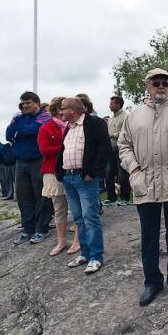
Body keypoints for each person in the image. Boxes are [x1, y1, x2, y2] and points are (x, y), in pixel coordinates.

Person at [118, 68, 168, 306]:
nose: (161, 86)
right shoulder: (133, 116)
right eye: (156, 82)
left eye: (165, 82)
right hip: (145, 184)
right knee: (149, 236)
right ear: (147, 85)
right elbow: (124, 146)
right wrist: (134, 170)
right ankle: (152, 281)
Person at [55, 97, 111, 274]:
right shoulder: (68, 127)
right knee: (78, 218)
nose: (60, 112)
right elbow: (64, 150)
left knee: (90, 217)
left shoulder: (94, 122)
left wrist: (91, 172)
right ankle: (85, 253)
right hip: (69, 178)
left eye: (62, 109)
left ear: (72, 109)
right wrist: (60, 173)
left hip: (84, 178)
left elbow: (104, 148)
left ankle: (96, 257)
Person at [6, 91, 52, 245]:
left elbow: (34, 130)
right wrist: (19, 126)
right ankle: (28, 228)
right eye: (23, 103)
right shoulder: (18, 117)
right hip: (21, 161)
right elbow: (8, 134)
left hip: (38, 159)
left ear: (37, 103)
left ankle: (41, 229)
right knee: (23, 196)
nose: (25, 105)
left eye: (28, 102)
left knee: (41, 195)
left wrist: (20, 128)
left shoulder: (45, 117)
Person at [38, 97, 81, 257]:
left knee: (76, 207)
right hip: (52, 172)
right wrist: (66, 146)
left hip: (73, 169)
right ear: (58, 110)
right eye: (62, 108)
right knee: (59, 209)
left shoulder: (74, 126)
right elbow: (45, 150)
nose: (65, 111)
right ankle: (62, 241)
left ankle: (77, 240)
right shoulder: (46, 128)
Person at [103, 95, 131, 206]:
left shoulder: (126, 117)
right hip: (111, 149)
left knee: (123, 174)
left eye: (112, 103)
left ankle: (125, 198)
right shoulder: (111, 119)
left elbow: (127, 133)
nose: (109, 105)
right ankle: (111, 197)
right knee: (108, 173)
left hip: (122, 149)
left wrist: (113, 135)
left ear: (118, 104)